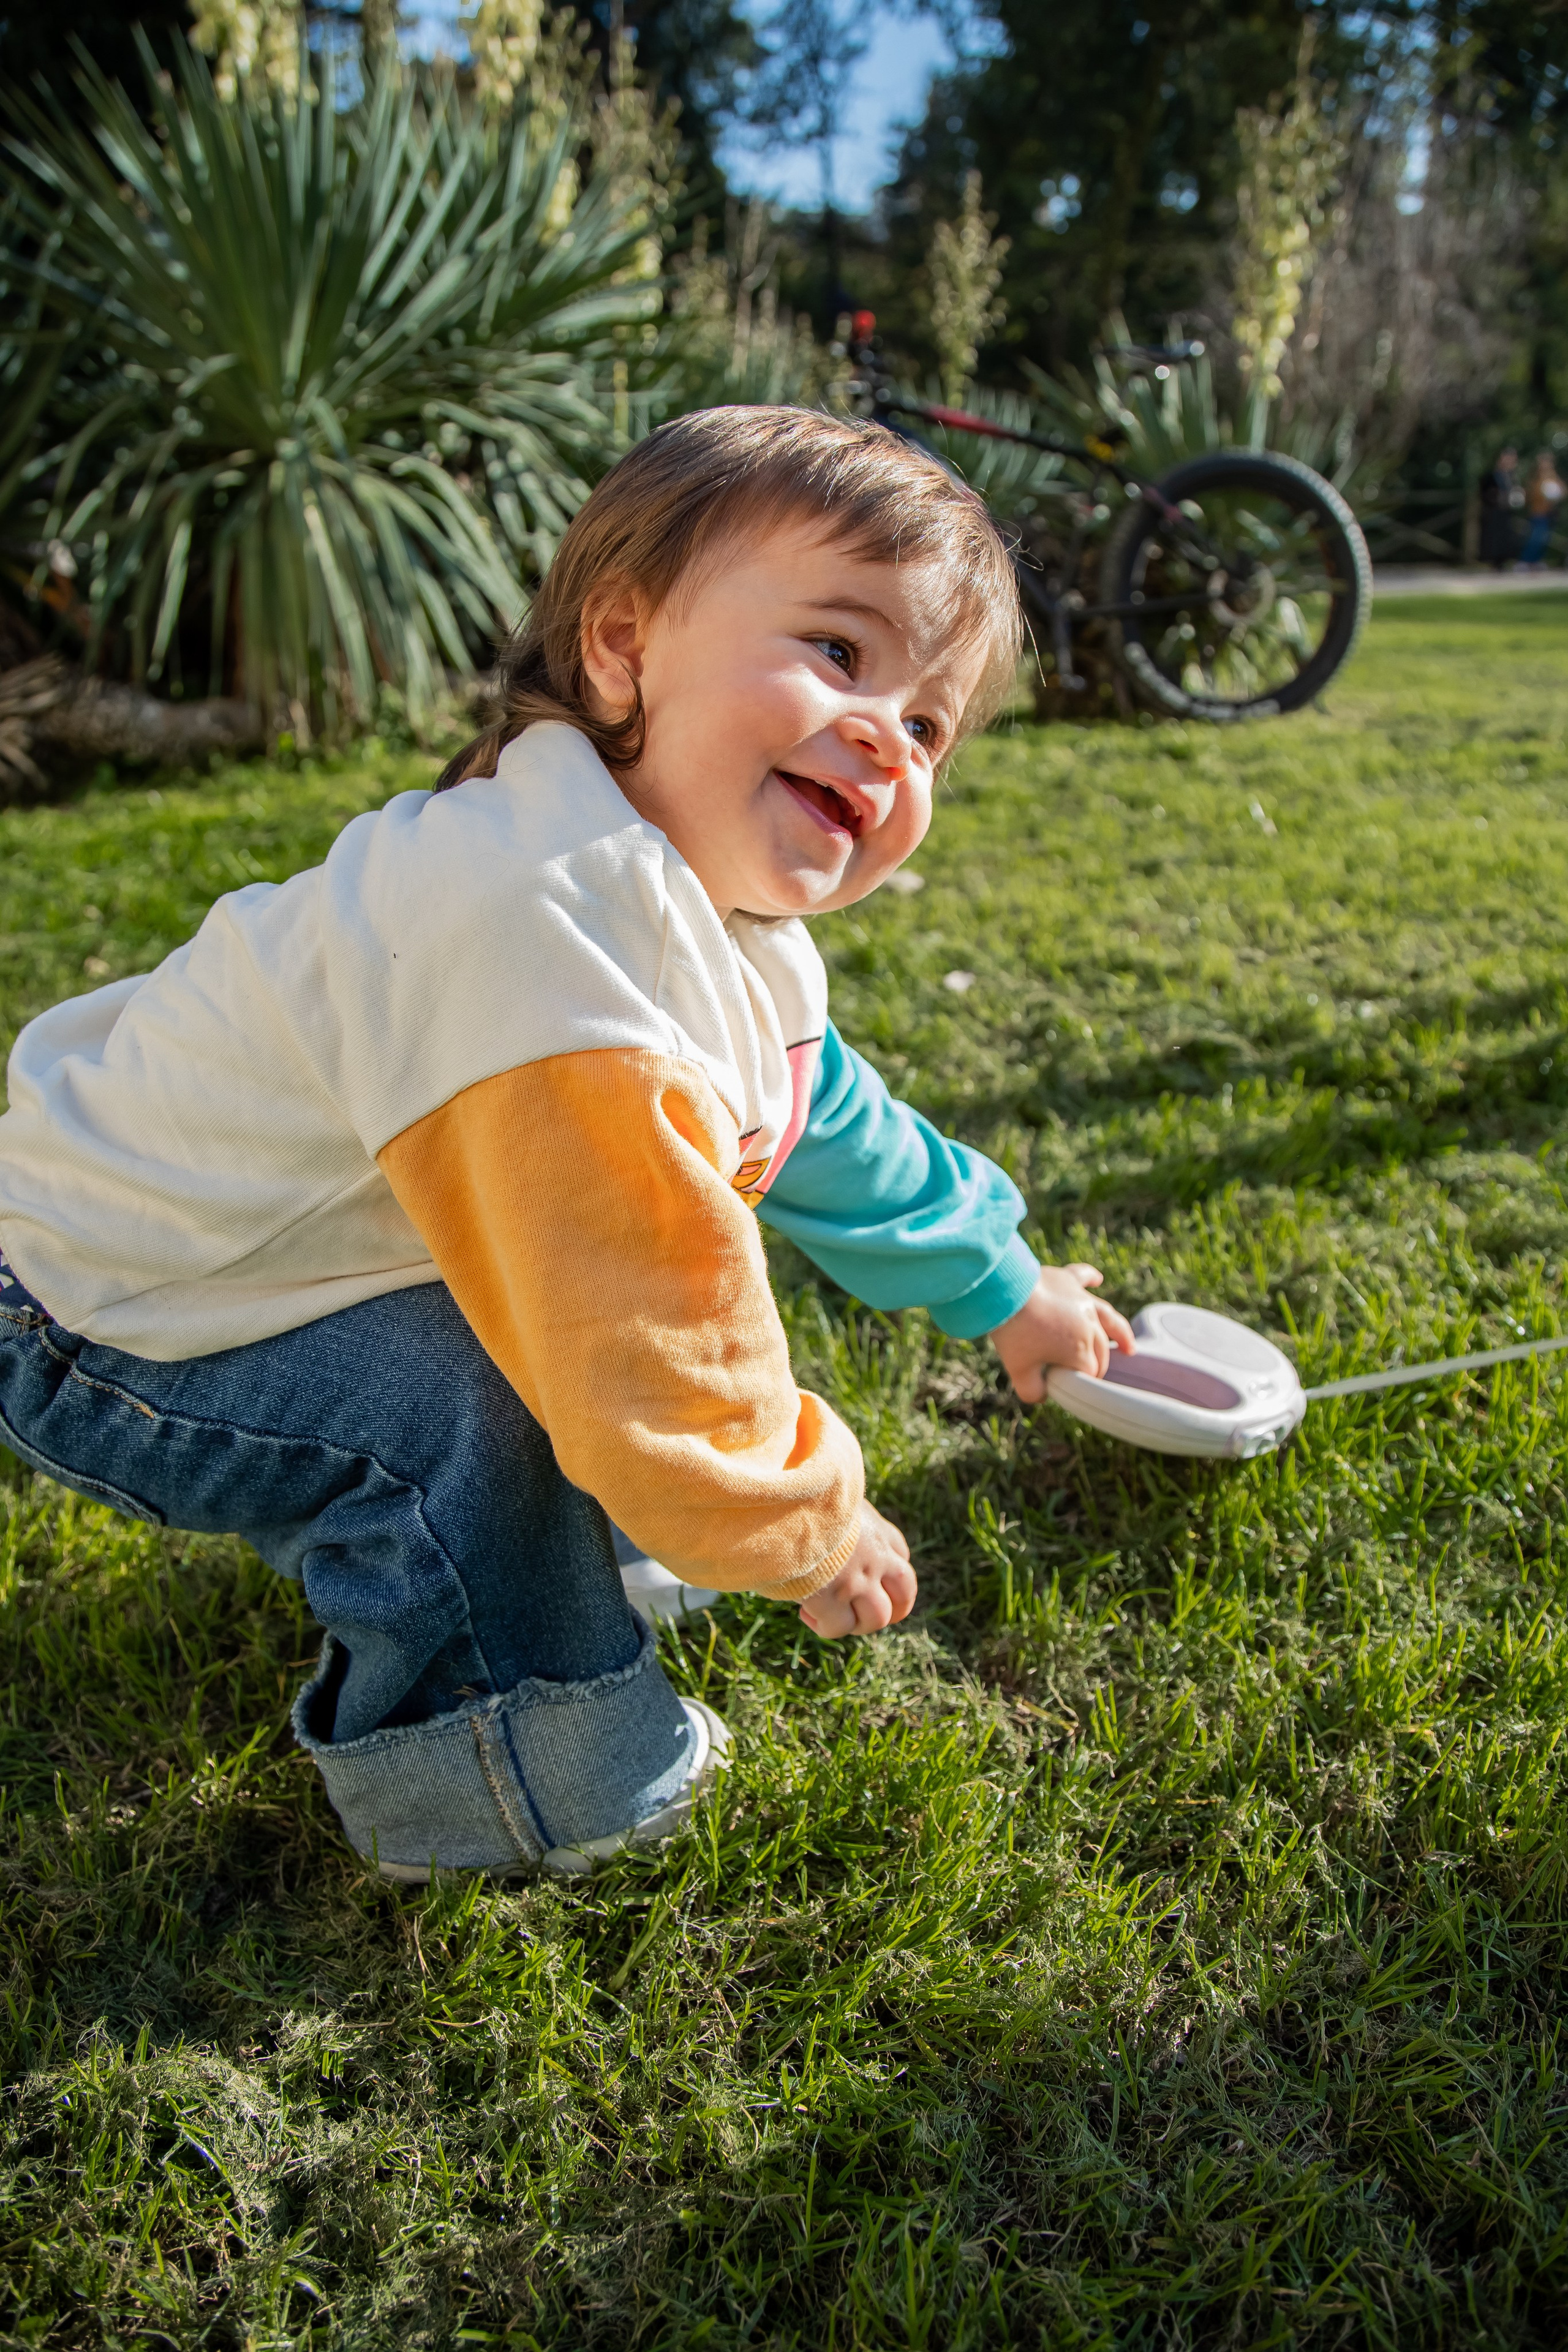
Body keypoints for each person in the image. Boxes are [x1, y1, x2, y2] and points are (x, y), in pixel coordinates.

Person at [0, 408, 1134, 1883]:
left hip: (178, 1254)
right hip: (102, 1304)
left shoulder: (711, 921)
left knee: (520, 1337)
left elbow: (824, 1125)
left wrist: (1005, 1283)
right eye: (840, 652)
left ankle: (586, 1564)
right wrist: (805, 1524)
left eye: (929, 725)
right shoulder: (542, 934)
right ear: (620, 644)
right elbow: (646, 1330)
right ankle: (527, 1781)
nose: (885, 737)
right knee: (462, 1415)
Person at [1479, 445, 1523, 570]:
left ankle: (1503, 561)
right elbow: (1485, 493)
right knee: (1494, 539)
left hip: (1507, 512)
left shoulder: (1512, 477)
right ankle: (1495, 563)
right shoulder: (1492, 476)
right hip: (1494, 512)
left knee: (1507, 538)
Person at [1520, 450, 1565, 567]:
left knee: (1544, 540)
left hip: (1549, 515)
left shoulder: (1554, 477)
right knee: (1534, 539)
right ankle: (1525, 561)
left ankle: (1536, 561)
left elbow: (1563, 491)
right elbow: (1529, 496)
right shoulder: (1535, 478)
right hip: (1537, 514)